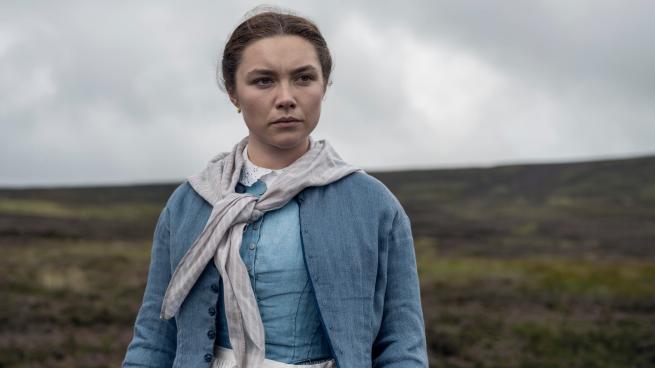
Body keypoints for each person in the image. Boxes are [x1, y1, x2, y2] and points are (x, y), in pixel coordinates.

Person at [123, 6, 427, 368]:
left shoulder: (372, 205)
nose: (286, 97)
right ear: (234, 93)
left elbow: (402, 347)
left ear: (324, 86)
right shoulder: (190, 203)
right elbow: (154, 341)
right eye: (263, 81)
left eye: (303, 78)